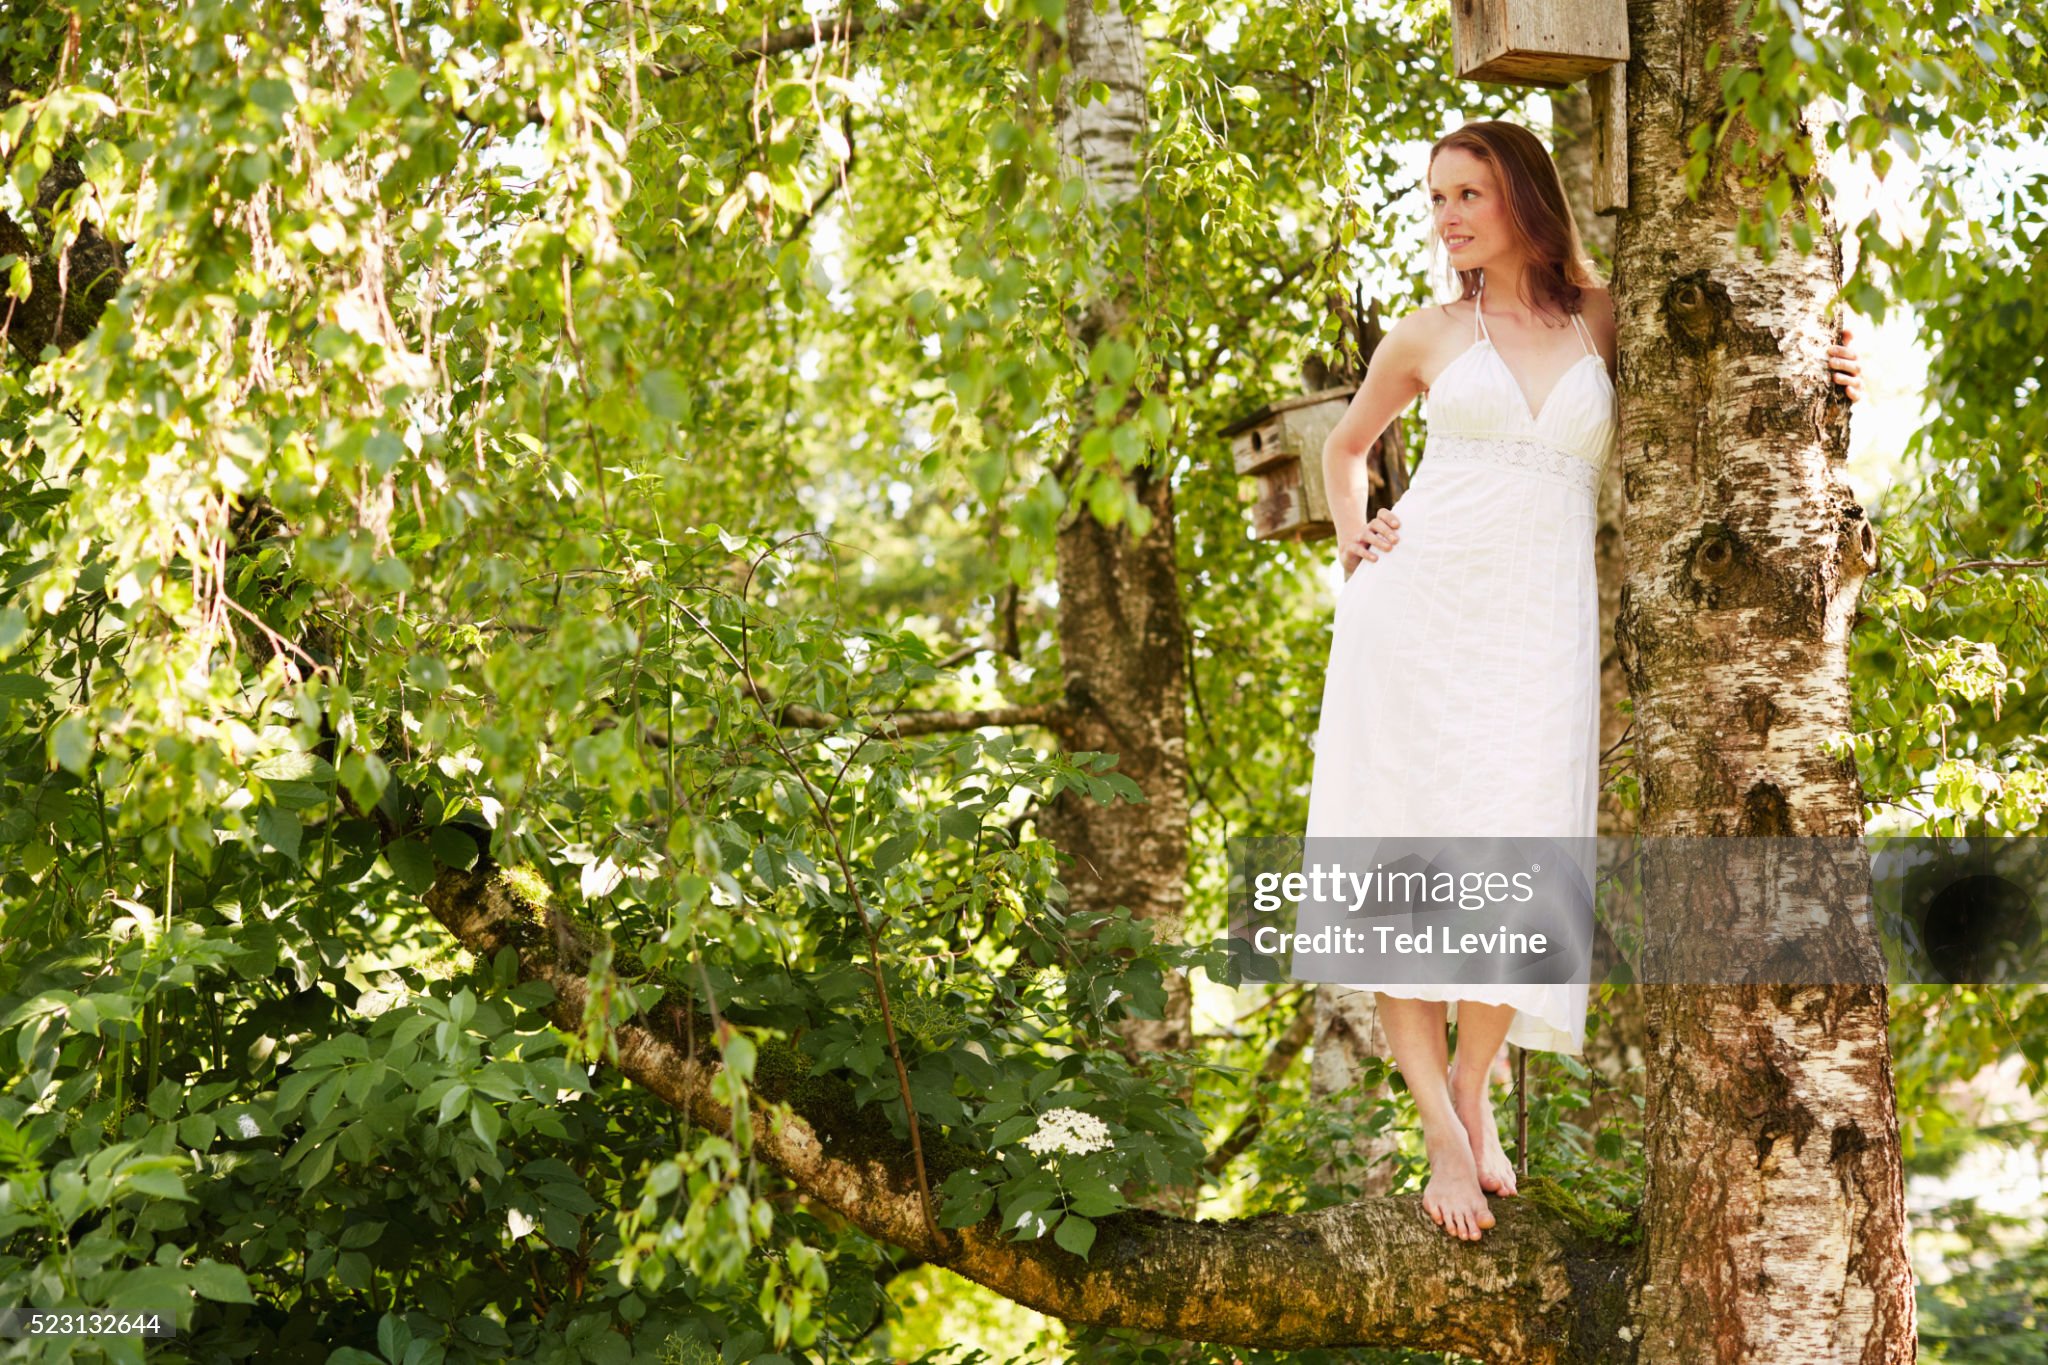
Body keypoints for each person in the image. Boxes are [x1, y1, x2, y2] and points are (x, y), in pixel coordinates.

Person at [1300, 120, 1864, 1242]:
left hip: (1534, 628)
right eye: (1435, 197)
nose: (1447, 215)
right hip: (1412, 616)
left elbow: (1736, 364)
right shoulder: (1423, 333)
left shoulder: (1600, 320)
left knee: (1519, 847)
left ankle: (1474, 1088)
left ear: (1520, 196)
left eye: (1467, 192)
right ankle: (1442, 1135)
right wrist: (1352, 537)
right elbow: (1343, 448)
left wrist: (1832, 362)